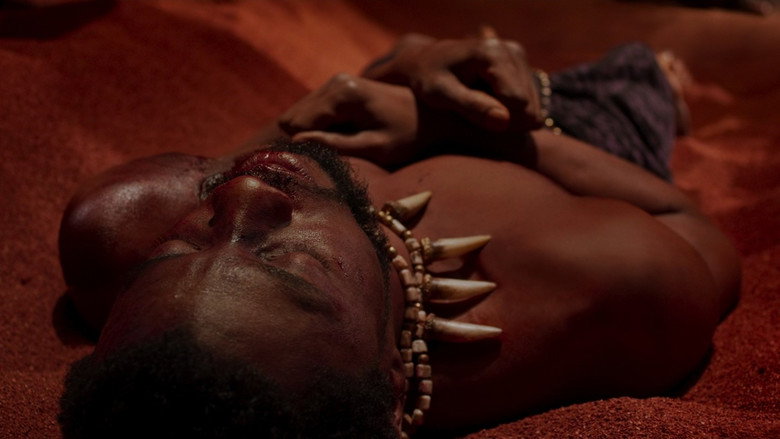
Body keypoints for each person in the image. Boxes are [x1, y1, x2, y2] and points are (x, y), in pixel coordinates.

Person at [56, 31, 740, 438]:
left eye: (180, 248)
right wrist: (466, 128)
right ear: (389, 377)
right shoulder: (607, 288)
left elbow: (266, 155)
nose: (244, 192)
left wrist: (388, 75)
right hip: (581, 145)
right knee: (640, 81)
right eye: (294, 262)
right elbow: (689, 226)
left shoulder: (118, 236)